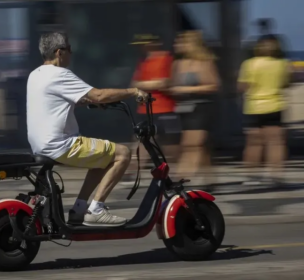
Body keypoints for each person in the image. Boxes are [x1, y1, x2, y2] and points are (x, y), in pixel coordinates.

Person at [26, 32, 148, 227]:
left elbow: (55, 101)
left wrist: (85, 101)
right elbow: (99, 95)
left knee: (101, 157)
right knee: (123, 153)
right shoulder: (60, 74)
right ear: (59, 52)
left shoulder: (36, 75)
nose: (71, 54)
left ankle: (79, 209)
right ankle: (96, 210)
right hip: (61, 145)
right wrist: (133, 91)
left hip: (41, 144)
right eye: (69, 50)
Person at [169, 31, 220, 188]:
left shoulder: (204, 62)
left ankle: (182, 178)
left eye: (181, 43)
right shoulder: (177, 64)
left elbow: (214, 85)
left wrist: (186, 90)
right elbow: (172, 85)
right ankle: (210, 179)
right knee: (200, 146)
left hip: (200, 107)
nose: (177, 46)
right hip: (183, 108)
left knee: (192, 145)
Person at [238, 37, 291, 186]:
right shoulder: (282, 64)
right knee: (276, 143)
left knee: (253, 143)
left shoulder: (249, 64)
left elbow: (243, 86)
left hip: (254, 106)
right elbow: (286, 83)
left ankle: (251, 175)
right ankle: (276, 175)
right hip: (275, 105)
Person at [130, 35, 178, 166]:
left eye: (146, 44)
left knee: (170, 144)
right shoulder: (144, 61)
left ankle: (173, 172)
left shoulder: (167, 59)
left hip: (165, 108)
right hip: (145, 108)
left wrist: (144, 84)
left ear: (155, 43)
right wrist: (152, 84)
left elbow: (165, 84)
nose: (143, 47)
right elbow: (135, 83)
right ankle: (132, 172)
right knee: (142, 140)